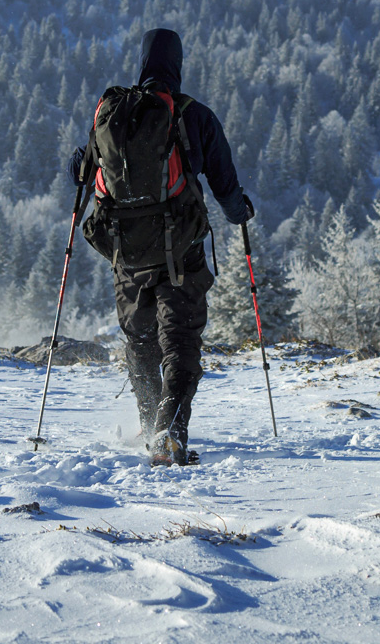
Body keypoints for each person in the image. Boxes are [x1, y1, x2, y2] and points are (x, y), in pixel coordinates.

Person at [71, 28, 253, 465]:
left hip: (126, 253)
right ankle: (169, 431)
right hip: (180, 250)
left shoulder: (113, 113)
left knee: (139, 340)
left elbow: (81, 170)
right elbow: (225, 185)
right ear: (177, 65)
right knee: (180, 339)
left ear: (141, 62)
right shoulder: (193, 115)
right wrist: (240, 214)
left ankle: (152, 422)